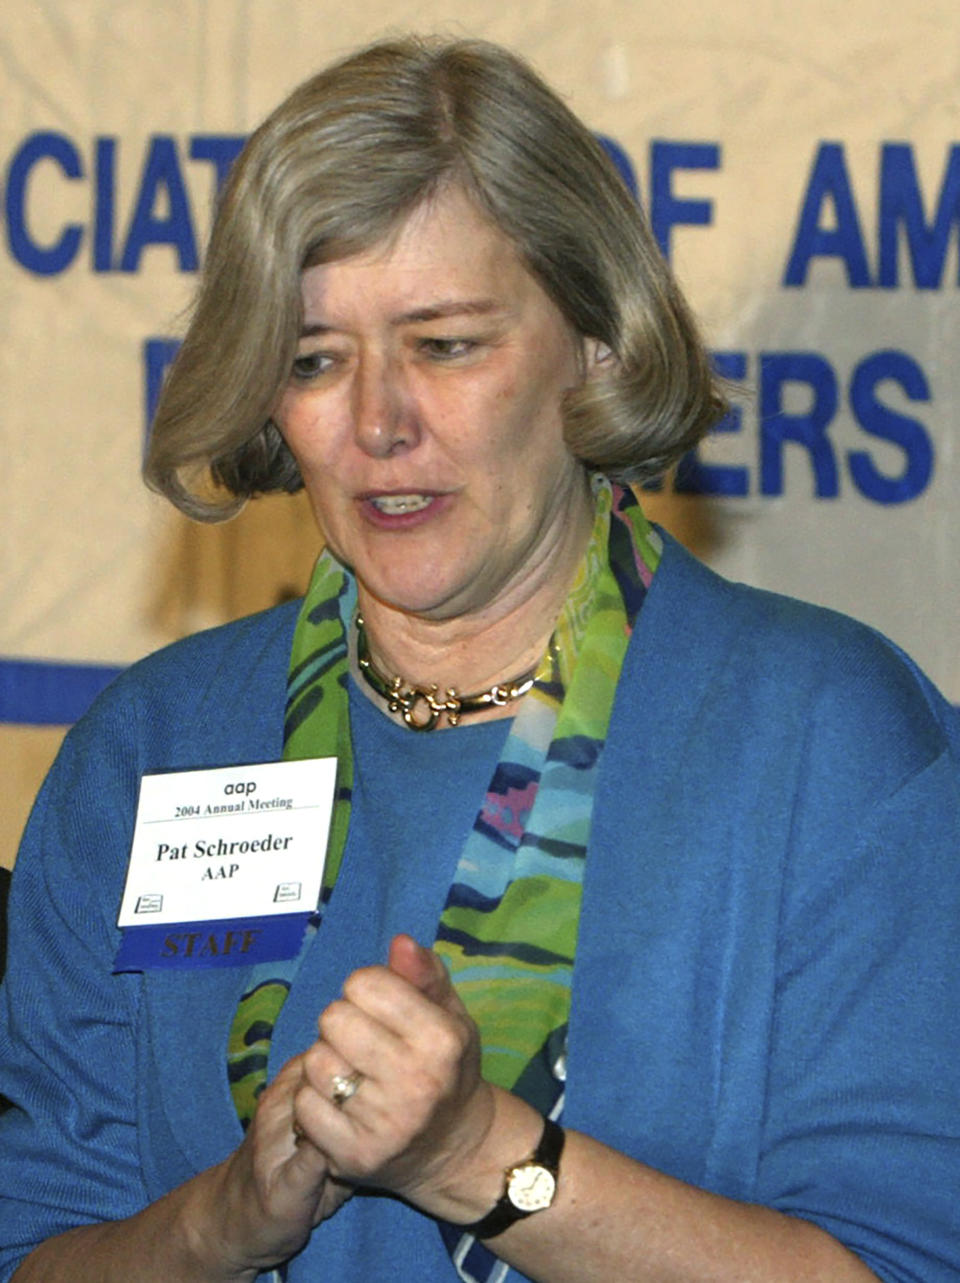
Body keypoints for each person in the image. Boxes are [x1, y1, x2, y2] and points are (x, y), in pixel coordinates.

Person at [0, 34, 958, 1283]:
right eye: (314, 359)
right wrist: (221, 1220)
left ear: (599, 345)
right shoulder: (153, 747)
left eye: (445, 344)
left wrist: (478, 1153)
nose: (380, 421)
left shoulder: (827, 737)